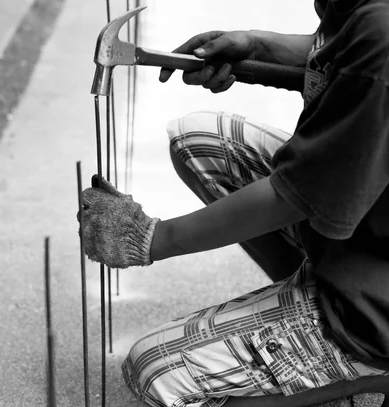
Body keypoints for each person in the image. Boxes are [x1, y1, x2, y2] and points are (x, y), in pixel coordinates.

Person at [78, 0, 389, 406]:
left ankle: (356, 360)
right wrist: (257, 48)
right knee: (202, 142)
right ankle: (302, 324)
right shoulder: (368, 19)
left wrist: (151, 237)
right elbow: (342, 56)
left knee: (153, 370)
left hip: (377, 297)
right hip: (366, 225)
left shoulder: (382, 31)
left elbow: (298, 195)